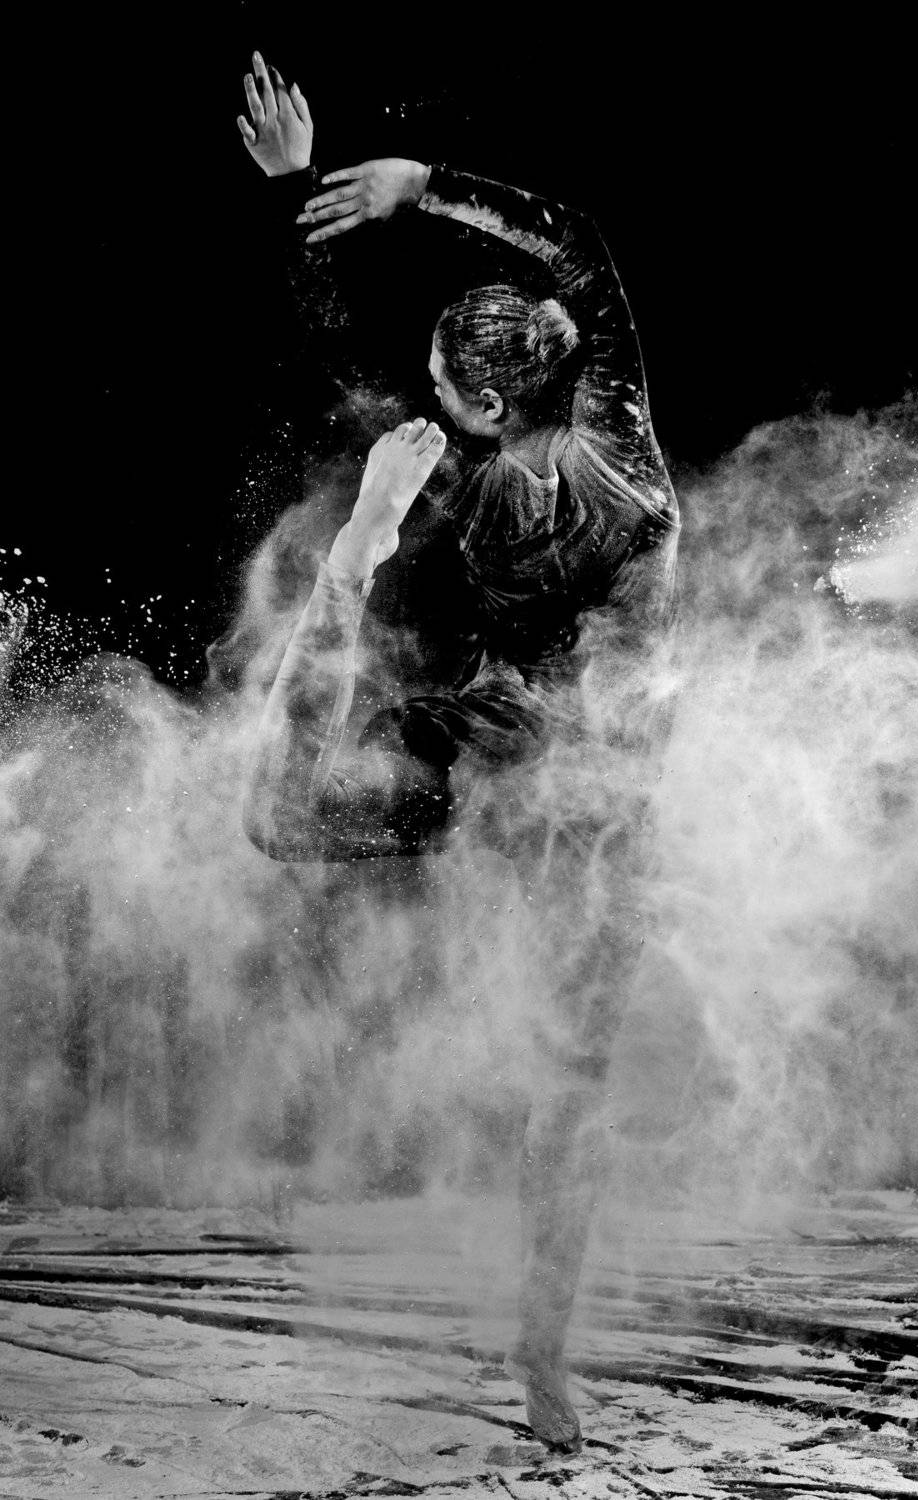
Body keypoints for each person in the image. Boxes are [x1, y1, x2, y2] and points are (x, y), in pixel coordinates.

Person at [237, 56, 680, 1452]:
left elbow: (341, 400)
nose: (428, 402)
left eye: (442, 390)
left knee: (280, 813)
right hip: (603, 797)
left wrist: (360, 543)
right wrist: (419, 188)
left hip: (513, 764)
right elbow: (580, 243)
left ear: (484, 408)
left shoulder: (467, 508)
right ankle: (544, 1353)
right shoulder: (621, 443)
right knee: (571, 1091)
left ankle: (539, 1344)